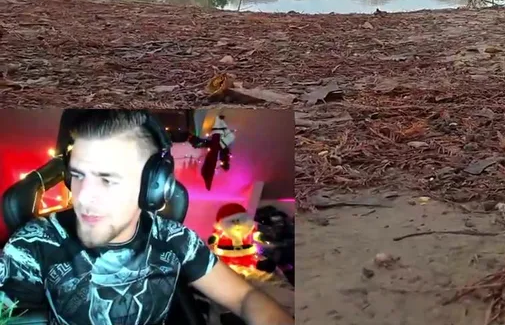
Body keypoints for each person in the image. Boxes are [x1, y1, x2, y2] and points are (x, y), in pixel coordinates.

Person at [0, 110, 293, 325]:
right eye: (77, 175)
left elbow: (244, 297)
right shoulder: (32, 244)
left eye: (107, 179)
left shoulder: (176, 239)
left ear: (154, 187)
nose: (83, 197)